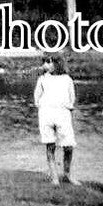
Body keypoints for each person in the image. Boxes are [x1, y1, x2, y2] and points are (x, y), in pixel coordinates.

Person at [33, 55, 77, 185]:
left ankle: (67, 174)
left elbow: (72, 97)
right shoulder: (42, 79)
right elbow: (37, 97)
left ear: (57, 63)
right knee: (50, 145)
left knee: (68, 146)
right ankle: (54, 177)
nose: (46, 65)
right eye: (45, 62)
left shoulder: (67, 79)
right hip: (46, 114)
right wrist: (43, 107)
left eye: (49, 62)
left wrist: (67, 108)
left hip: (63, 114)